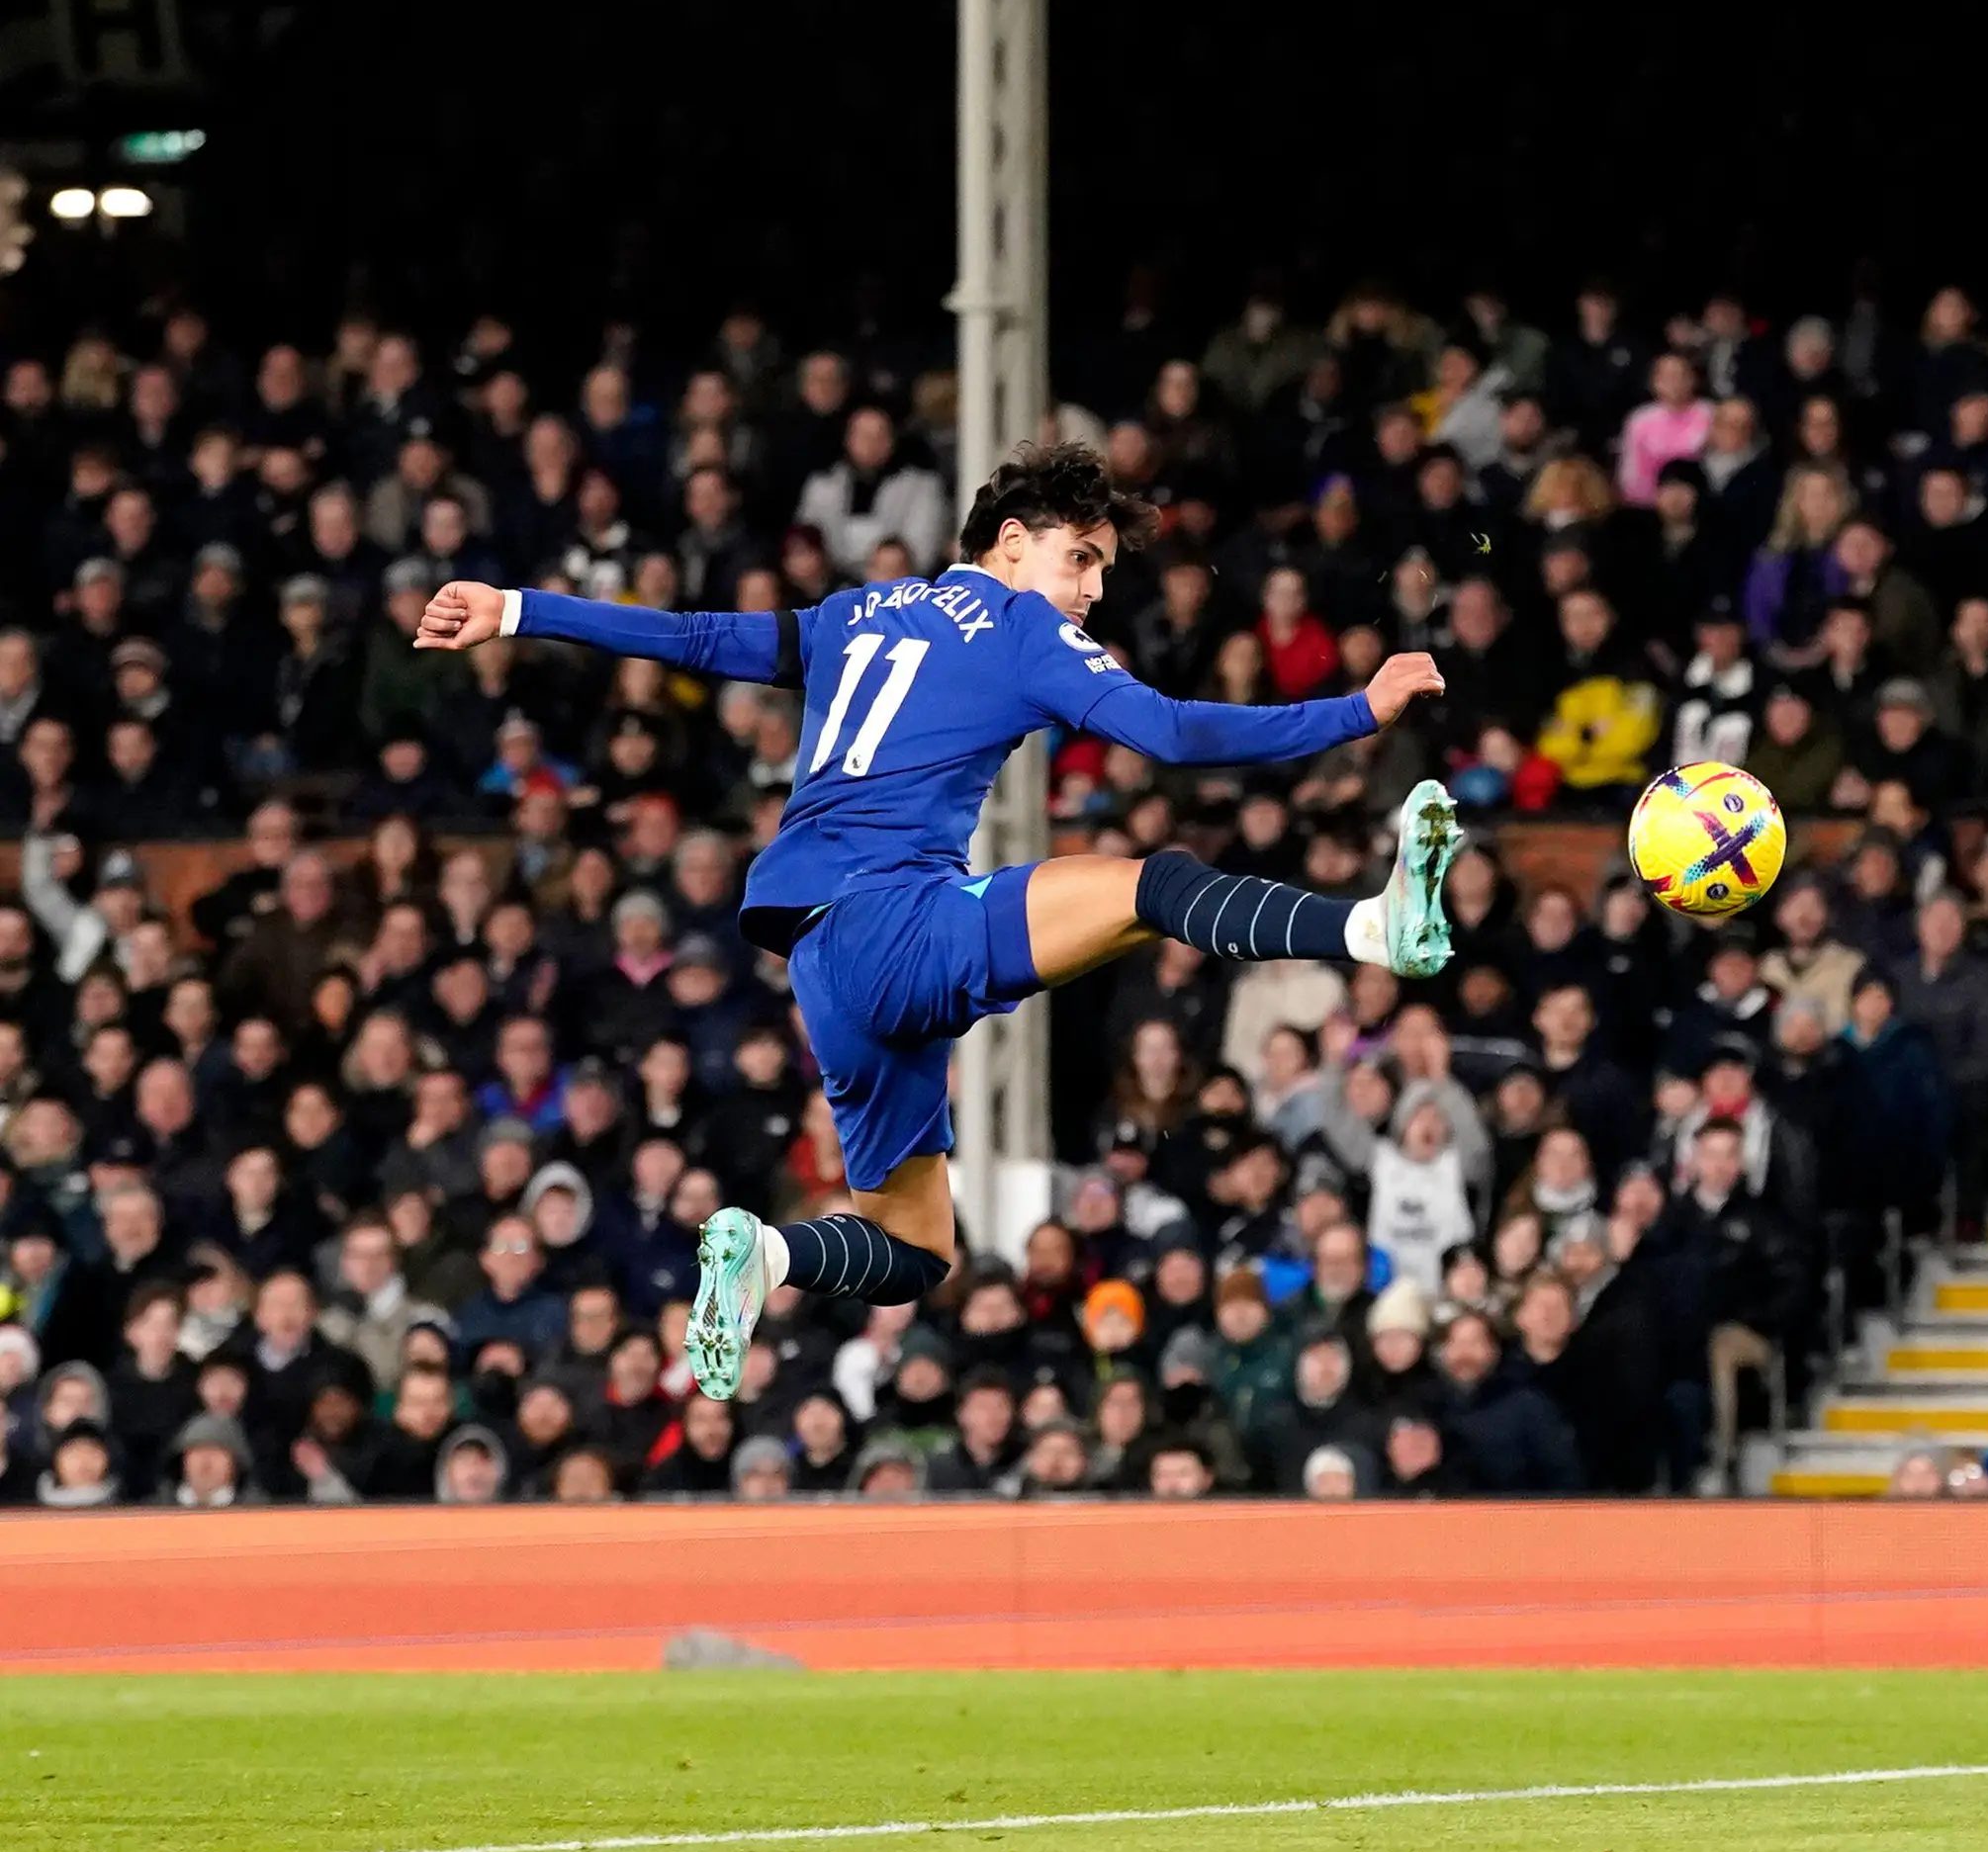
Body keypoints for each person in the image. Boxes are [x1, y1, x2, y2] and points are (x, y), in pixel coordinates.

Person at [413, 441, 1464, 1401]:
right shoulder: (1022, 628)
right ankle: (1372, 930)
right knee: (1154, 885)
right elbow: (1176, 735)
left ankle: (767, 1255)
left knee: (916, 1251)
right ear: (1011, 542)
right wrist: (1356, 711)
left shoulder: (856, 611)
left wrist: (517, 608)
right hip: (899, 922)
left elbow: (694, 636)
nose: (1093, 590)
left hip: (819, 964)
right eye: (1082, 558)